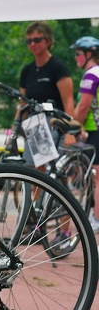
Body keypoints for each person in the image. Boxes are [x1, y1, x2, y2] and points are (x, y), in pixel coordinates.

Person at [18, 21, 75, 164]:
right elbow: (22, 104)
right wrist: (15, 129)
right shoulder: (27, 70)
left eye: (37, 40)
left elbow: (69, 101)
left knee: (52, 174)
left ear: (48, 41)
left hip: (54, 124)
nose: (32, 44)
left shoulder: (57, 67)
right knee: (31, 171)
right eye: (29, 41)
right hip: (34, 124)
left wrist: (70, 132)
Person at [71, 36, 99, 232]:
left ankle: (96, 218)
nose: (76, 58)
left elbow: (83, 106)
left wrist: (72, 128)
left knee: (96, 177)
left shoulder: (91, 75)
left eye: (78, 53)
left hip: (96, 130)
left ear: (89, 54)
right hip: (93, 130)